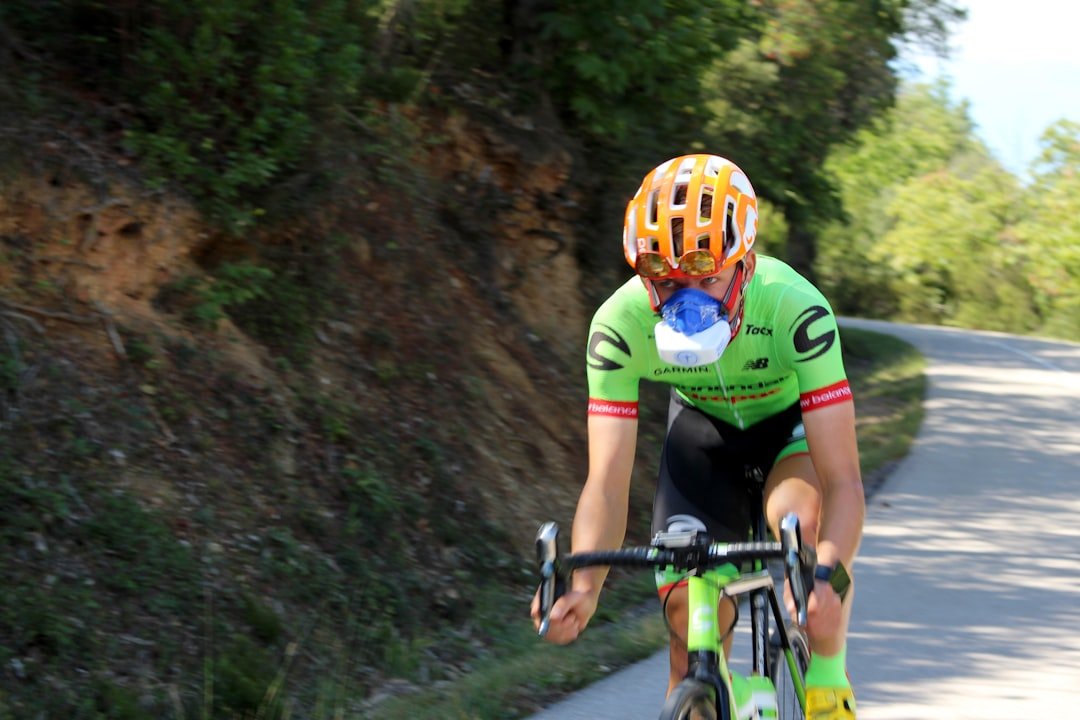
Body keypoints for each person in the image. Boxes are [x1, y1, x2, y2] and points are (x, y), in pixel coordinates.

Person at [531, 154, 865, 719]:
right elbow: (607, 483)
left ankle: (829, 679)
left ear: (747, 262)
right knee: (688, 618)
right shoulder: (619, 326)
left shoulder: (795, 308)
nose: (689, 302)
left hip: (789, 434)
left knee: (800, 524)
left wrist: (828, 575)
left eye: (707, 277)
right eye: (665, 281)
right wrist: (584, 586)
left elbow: (844, 480)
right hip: (702, 439)